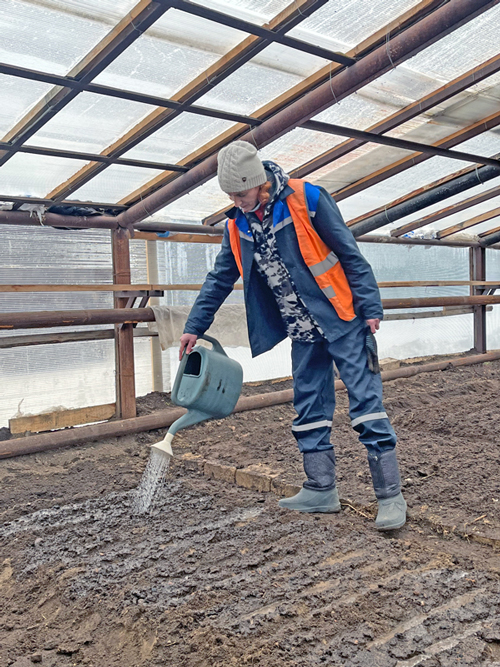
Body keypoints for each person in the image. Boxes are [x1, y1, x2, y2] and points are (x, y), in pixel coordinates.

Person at [179, 140, 406, 531]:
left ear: (260, 184)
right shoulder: (237, 223)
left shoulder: (308, 199)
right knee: (308, 407)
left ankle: (390, 497)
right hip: (302, 330)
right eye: (230, 195)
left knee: (366, 404)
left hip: (342, 319)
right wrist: (194, 326)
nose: (236, 201)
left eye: (241, 193)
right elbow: (220, 278)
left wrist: (370, 308)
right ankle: (320, 489)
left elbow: (349, 253)